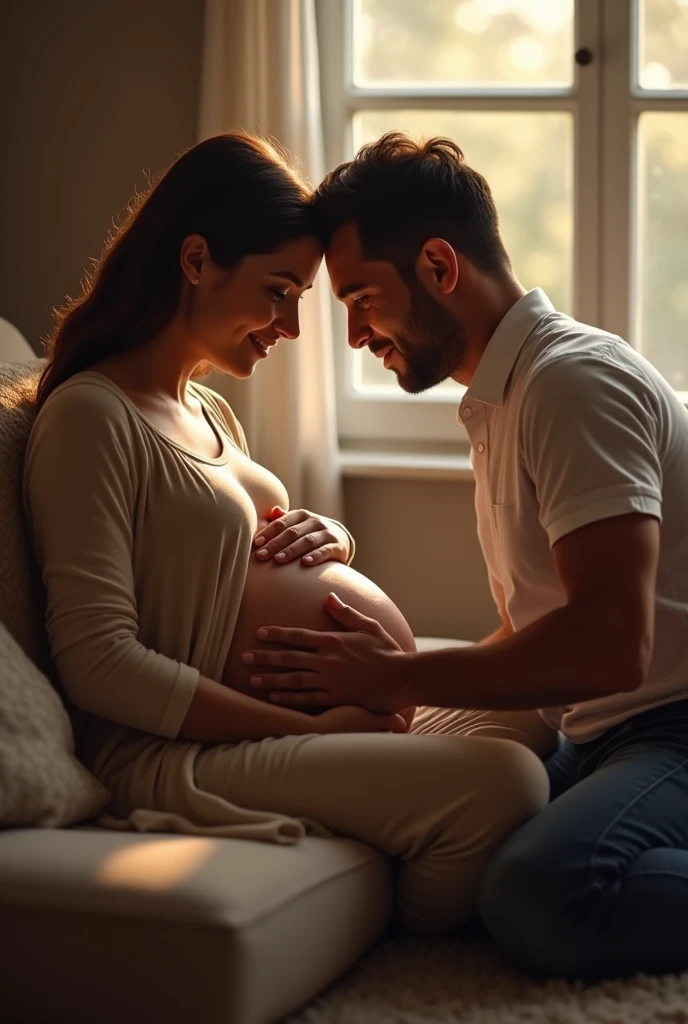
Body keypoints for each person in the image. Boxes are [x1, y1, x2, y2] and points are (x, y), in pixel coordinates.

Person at [23, 130, 550, 938]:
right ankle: (408, 933)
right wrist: (304, 727)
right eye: (278, 291)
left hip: (317, 722)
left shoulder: (206, 410)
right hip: (188, 755)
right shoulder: (90, 416)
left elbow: (238, 552)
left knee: (538, 709)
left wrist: (329, 535)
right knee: (508, 782)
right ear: (195, 260)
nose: (292, 329)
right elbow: (99, 663)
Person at [242, 131, 688, 978]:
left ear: (439, 267)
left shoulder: (570, 385)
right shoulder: (504, 397)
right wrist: (402, 702)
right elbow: (553, 626)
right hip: (601, 729)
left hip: (672, 724)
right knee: (457, 834)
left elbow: (610, 643)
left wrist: (401, 680)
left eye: (363, 298)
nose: (353, 334)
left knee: (542, 893)